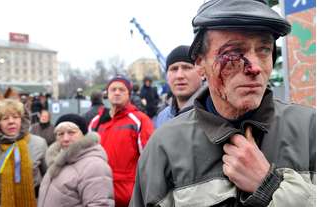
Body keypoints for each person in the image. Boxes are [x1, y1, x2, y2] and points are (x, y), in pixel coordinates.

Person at [130, 1, 315, 207]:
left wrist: (270, 187)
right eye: (234, 51)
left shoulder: (309, 129)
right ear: (200, 63)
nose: (254, 68)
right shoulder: (165, 145)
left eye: (264, 50)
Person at [99, 75, 154, 207]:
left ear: (129, 94)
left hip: (129, 196)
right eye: (113, 89)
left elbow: (150, 160)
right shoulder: (97, 122)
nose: (117, 92)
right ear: (107, 93)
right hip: (101, 193)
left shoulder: (140, 120)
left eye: (122, 89)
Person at [38, 113, 114, 207]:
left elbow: (100, 204)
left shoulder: (94, 166)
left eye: (71, 132)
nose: (65, 138)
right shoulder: (56, 161)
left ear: (83, 134)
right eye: (60, 134)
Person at [0, 99, 47, 207]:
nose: (11, 121)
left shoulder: (39, 143)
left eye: (15, 117)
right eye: (5, 118)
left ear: (22, 119)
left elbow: (48, 178)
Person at [155, 45, 204, 128]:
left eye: (186, 68)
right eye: (174, 69)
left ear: (202, 73)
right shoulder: (162, 117)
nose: (179, 75)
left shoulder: (216, 113)